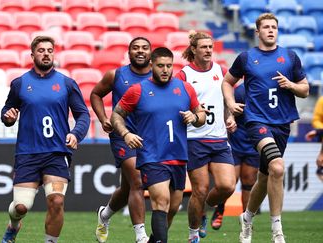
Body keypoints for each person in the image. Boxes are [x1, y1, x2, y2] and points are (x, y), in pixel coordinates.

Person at [222, 13, 309, 243]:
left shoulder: (290, 57)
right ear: (257, 32)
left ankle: (247, 218)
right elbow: (227, 82)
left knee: (264, 175)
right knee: (278, 168)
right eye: (266, 27)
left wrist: (290, 85)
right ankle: (277, 230)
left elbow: (305, 89)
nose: (271, 30)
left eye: (274, 27)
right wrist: (231, 104)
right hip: (256, 121)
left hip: (282, 123)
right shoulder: (247, 57)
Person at [0, 36, 90, 243]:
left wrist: (75, 134)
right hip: (28, 152)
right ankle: (13, 226)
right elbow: (7, 111)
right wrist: (8, 117)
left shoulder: (66, 83)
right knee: (21, 207)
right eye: (41, 50)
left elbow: (83, 115)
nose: (46, 54)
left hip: (57, 152)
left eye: (50, 50)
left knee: (56, 201)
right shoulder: (20, 83)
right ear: (32, 55)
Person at [111, 47, 206, 242]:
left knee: (172, 206)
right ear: (152, 65)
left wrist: (195, 116)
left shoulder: (185, 88)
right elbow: (116, 114)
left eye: (169, 66)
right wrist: (126, 133)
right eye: (160, 66)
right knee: (161, 201)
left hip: (178, 156)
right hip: (152, 156)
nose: (165, 70)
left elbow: (202, 116)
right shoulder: (138, 90)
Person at [176, 31, 236, 243]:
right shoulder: (184, 75)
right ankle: (193, 235)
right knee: (199, 190)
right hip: (194, 140)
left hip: (219, 139)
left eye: (211, 47)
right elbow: (177, 103)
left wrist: (230, 117)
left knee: (228, 186)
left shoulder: (222, 71)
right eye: (204, 47)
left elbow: (226, 99)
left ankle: (203, 210)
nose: (209, 50)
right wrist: (189, 115)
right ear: (194, 50)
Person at [90, 37, 152, 243]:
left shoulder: (160, 75)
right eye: (136, 48)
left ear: (150, 52)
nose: (140, 51)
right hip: (122, 135)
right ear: (129, 52)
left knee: (127, 188)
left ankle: (105, 214)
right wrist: (103, 119)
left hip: (150, 138)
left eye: (144, 48)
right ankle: (141, 236)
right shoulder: (116, 75)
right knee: (137, 181)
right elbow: (96, 94)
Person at [210, 82, 260, 231]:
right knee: (230, 182)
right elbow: (227, 109)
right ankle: (219, 210)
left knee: (249, 181)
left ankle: (247, 220)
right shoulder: (239, 91)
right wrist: (230, 118)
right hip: (236, 142)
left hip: (255, 143)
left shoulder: (264, 88)